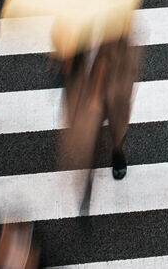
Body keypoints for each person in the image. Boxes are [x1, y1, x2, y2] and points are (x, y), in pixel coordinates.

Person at [57, 32, 141, 214]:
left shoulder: (116, 23)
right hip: (84, 83)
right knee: (89, 136)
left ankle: (117, 150)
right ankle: (87, 183)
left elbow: (124, 57)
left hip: (115, 79)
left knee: (117, 124)